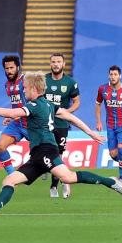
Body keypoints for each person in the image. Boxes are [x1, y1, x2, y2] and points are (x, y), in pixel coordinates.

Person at [0, 72, 122, 216]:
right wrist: (90, 132)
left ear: (34, 88)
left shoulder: (34, 105)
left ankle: (111, 182)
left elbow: (12, 112)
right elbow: (70, 117)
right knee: (9, 180)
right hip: (37, 155)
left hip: (46, 150)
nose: (23, 91)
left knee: (67, 177)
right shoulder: (49, 105)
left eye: (25, 88)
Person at [95, 65, 122, 185]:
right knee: (113, 154)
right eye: (111, 74)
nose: (113, 77)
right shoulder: (102, 89)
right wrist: (98, 121)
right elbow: (98, 104)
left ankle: (121, 178)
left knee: (121, 149)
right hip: (110, 126)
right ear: (108, 75)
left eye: (115, 74)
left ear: (120, 76)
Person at [45, 52, 81, 198]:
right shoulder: (44, 80)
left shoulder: (70, 82)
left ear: (63, 64)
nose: (56, 64)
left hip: (61, 124)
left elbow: (77, 101)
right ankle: (54, 179)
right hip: (45, 124)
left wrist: (67, 111)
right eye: (53, 61)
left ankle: (57, 184)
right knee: (47, 153)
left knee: (58, 155)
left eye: (58, 62)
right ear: (50, 64)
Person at [0, 55, 28, 175]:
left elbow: (34, 102)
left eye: (12, 68)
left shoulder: (26, 81)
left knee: (44, 154)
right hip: (17, 124)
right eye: (7, 68)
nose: (9, 71)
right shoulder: (7, 85)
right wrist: (11, 116)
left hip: (32, 124)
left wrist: (21, 114)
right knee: (0, 146)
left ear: (18, 67)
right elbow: (16, 103)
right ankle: (12, 176)